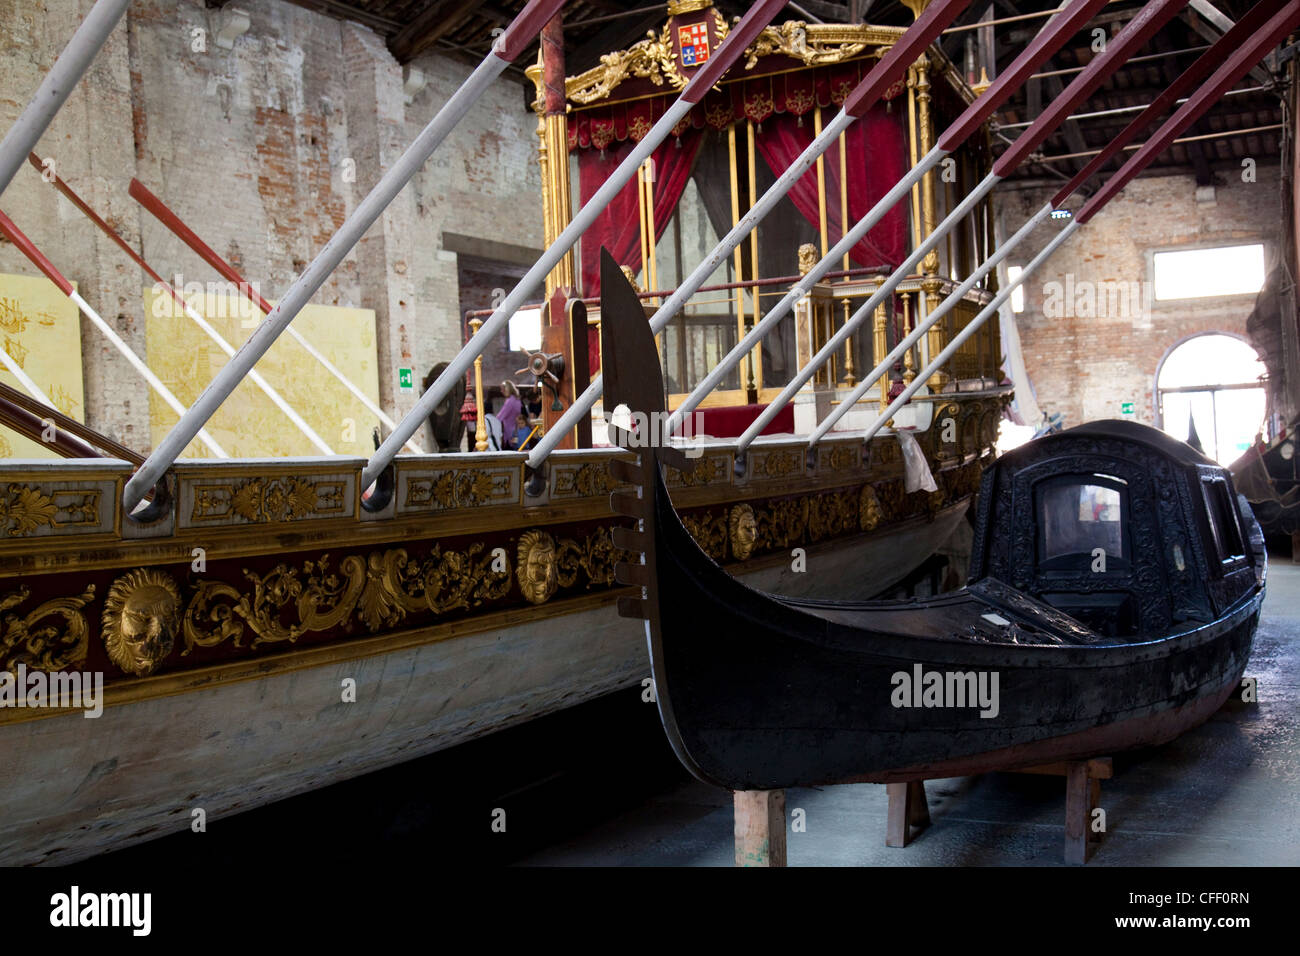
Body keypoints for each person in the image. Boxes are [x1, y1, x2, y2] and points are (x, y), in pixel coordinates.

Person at [495, 381, 521, 446]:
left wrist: (492, 421)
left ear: (507, 389)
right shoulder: (517, 399)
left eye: (502, 389)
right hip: (515, 429)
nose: (501, 391)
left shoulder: (510, 401)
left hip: (509, 431)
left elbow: (500, 416)